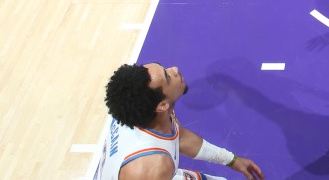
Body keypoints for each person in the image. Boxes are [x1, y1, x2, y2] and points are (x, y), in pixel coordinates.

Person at [96, 62, 264, 180]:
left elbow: (180, 138)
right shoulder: (154, 166)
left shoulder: (142, 110)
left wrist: (231, 160)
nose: (174, 69)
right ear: (162, 105)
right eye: (168, 77)